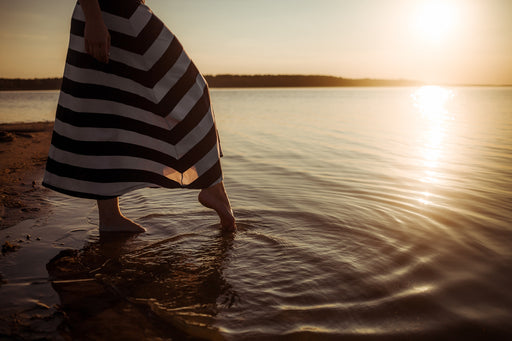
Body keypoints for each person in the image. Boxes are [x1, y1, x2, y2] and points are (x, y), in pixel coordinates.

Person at [43, 0, 236, 232]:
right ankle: (213, 187)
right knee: (192, 88)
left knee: (104, 106)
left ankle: (110, 217)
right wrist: (94, 19)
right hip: (112, 11)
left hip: (113, 13)